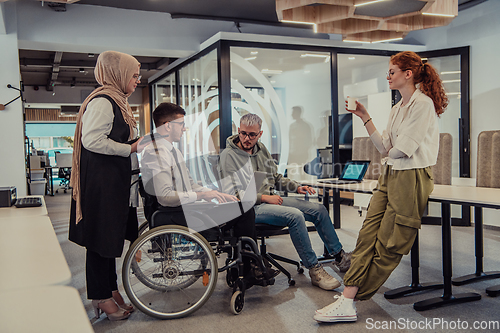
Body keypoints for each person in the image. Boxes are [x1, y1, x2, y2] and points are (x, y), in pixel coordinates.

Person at [314, 51, 448, 323]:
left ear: (407, 74)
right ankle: (348, 299)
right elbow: (386, 148)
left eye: (392, 71)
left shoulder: (423, 105)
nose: (388, 76)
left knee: (389, 243)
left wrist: (389, 151)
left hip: (411, 177)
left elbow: (403, 150)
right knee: (366, 236)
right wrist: (364, 115)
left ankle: (350, 299)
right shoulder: (398, 107)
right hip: (391, 174)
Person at [140, 103, 276, 281]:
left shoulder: (174, 151)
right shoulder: (156, 153)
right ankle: (249, 267)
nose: (184, 128)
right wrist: (203, 196)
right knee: (244, 210)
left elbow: (190, 184)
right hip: (175, 213)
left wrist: (213, 193)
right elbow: (165, 198)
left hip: (188, 208)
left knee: (238, 205)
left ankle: (246, 264)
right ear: (167, 125)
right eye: (181, 123)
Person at [218, 113, 352, 291]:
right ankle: (314, 269)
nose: (247, 138)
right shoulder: (229, 155)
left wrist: (296, 187)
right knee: (295, 216)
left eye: (252, 135)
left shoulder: (261, 149)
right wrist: (264, 197)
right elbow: (231, 193)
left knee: (319, 209)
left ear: (260, 134)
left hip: (271, 201)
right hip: (250, 209)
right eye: (243, 133)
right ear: (238, 130)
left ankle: (339, 257)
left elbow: (275, 177)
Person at [69, 50, 144, 321]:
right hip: (101, 184)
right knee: (100, 241)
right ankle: (100, 297)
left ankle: (110, 288)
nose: (138, 80)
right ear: (118, 74)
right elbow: (92, 140)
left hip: (111, 181)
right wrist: (131, 147)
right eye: (134, 75)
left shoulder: (116, 100)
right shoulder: (103, 101)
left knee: (109, 237)